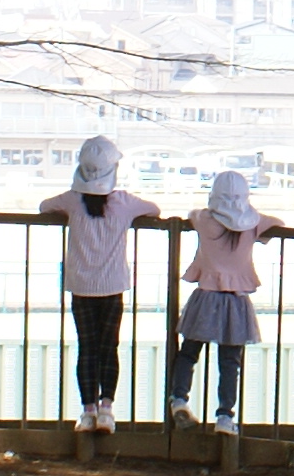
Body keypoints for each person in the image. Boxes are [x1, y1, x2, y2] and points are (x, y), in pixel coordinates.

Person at [37, 135, 150, 437]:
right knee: (108, 347)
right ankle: (107, 410)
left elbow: (43, 206)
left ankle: (87, 411)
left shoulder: (71, 201)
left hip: (80, 286)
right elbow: (154, 209)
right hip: (113, 286)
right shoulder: (125, 203)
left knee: (86, 349)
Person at [171, 170, 272, 432]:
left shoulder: (204, 220)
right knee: (230, 362)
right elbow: (276, 222)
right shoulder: (254, 223)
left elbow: (194, 213)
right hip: (236, 303)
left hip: (205, 298)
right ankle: (225, 417)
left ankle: (179, 400)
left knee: (189, 353)